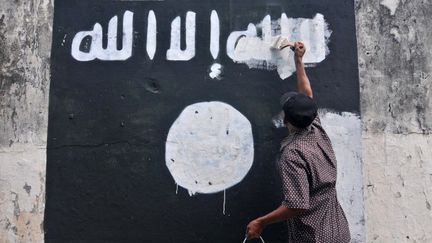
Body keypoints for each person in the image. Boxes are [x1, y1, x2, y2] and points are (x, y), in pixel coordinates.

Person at [245, 42, 351, 243]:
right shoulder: (315, 128)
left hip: (314, 237)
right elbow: (307, 95)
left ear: (285, 120)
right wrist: (298, 60)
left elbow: (297, 205)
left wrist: (261, 222)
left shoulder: (293, 154)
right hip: (338, 231)